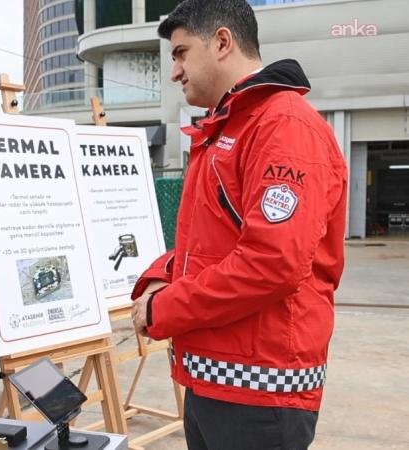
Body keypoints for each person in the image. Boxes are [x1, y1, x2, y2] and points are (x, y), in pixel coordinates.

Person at [129, 1, 348, 449]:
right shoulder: (232, 127)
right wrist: (159, 277)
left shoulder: (282, 126)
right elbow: (212, 245)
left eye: (181, 53)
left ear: (222, 42)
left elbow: (271, 263)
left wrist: (164, 309)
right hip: (218, 381)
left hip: (260, 394)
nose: (175, 72)